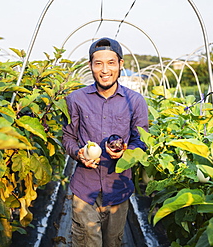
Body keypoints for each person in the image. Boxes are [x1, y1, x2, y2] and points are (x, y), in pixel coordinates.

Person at [62, 37, 149, 247]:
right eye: (98, 63)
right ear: (91, 66)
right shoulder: (75, 99)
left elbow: (142, 140)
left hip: (118, 189)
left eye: (111, 62)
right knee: (87, 242)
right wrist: (78, 153)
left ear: (120, 64)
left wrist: (127, 152)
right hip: (84, 189)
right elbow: (68, 138)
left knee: (113, 242)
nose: (105, 70)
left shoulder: (135, 101)